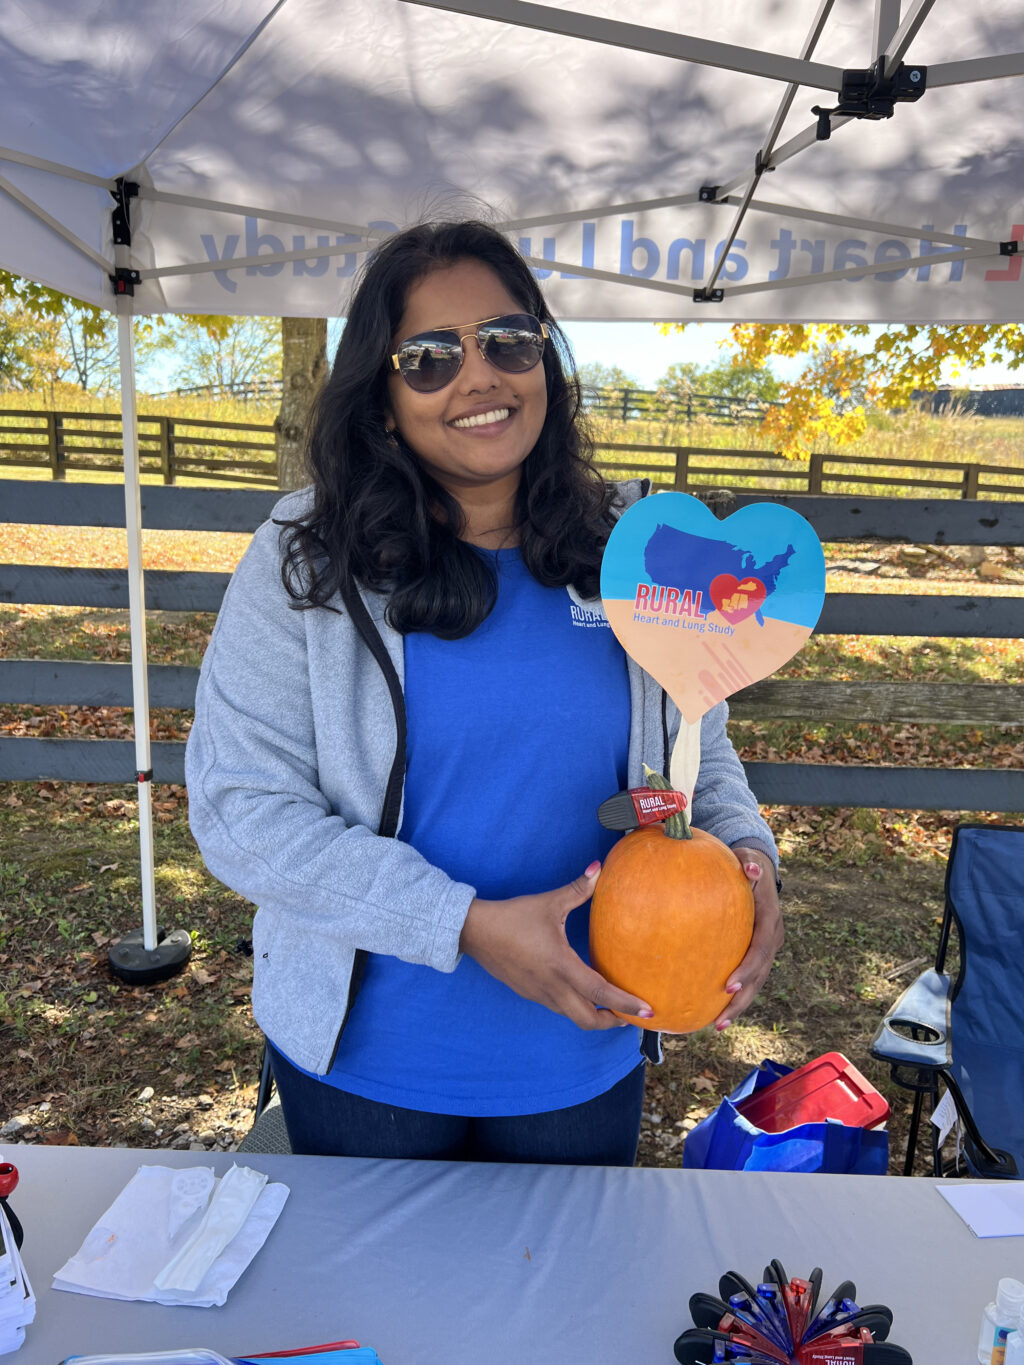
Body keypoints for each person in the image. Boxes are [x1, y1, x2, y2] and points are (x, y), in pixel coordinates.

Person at [186, 219, 783, 1167]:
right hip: (370, 1065)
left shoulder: (627, 554)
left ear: (544, 358)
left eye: (508, 341)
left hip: (583, 1049)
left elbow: (692, 738)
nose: (478, 378)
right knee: (379, 1315)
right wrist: (459, 922)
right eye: (427, 357)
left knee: (559, 1312)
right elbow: (240, 809)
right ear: (381, 399)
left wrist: (749, 857)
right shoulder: (304, 563)